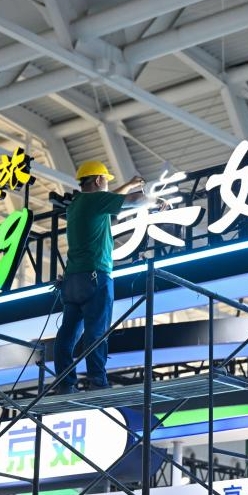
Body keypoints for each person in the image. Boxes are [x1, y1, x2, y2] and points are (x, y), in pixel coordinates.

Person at [54, 160, 163, 394]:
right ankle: (97, 381)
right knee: (97, 331)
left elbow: (110, 197)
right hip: (95, 277)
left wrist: (128, 184)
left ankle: (64, 383)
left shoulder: (76, 205)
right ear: (98, 180)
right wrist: (156, 201)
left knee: (68, 333)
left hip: (72, 281)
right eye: (105, 180)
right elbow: (134, 201)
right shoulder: (95, 201)